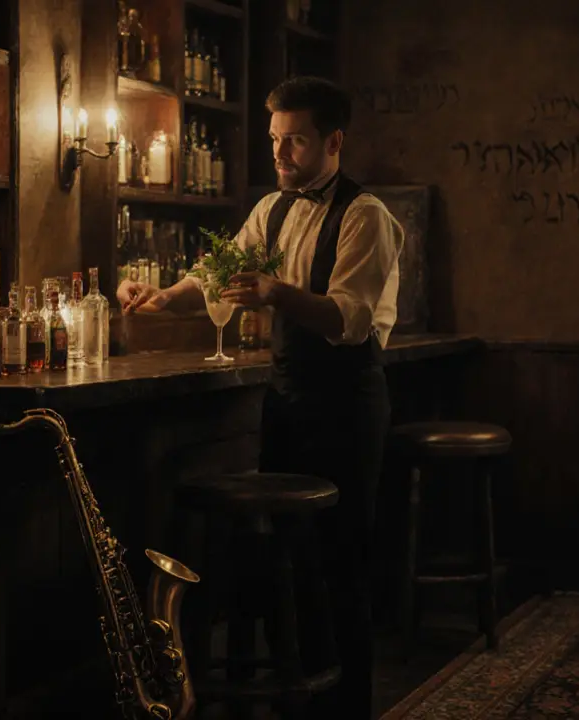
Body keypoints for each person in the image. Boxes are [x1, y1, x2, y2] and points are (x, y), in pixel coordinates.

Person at [117, 76, 405, 719]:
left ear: (334, 141)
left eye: (294, 142)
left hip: (347, 405)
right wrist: (161, 297)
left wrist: (276, 293)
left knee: (341, 566)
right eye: (275, 141)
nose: (279, 156)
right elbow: (217, 274)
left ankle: (347, 707)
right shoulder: (272, 209)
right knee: (293, 565)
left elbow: (349, 320)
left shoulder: (367, 217)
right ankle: (292, 700)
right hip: (287, 398)